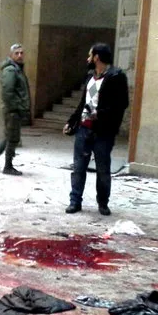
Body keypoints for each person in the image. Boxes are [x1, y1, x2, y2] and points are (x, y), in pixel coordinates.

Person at [63, 43, 129, 216]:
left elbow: (121, 105)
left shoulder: (116, 77)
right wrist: (72, 121)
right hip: (84, 129)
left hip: (103, 132)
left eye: (90, 55)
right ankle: (75, 201)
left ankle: (103, 203)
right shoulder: (90, 77)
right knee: (78, 167)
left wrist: (99, 114)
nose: (88, 59)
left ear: (97, 57)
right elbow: (83, 103)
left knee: (102, 169)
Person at [0, 43, 31, 175]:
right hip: (13, 110)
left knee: (9, 137)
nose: (19, 55)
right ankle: (8, 166)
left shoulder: (17, 69)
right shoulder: (11, 70)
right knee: (13, 139)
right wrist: (17, 107)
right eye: (16, 53)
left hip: (15, 109)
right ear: (11, 55)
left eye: (21, 53)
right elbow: (8, 93)